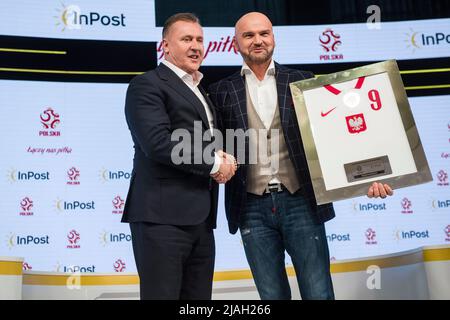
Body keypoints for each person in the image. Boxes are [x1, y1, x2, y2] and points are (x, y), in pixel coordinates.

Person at [208, 12, 393, 300]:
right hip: (250, 208)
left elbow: (338, 137)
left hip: (301, 201)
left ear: (273, 38)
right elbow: (214, 147)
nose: (258, 40)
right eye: (249, 35)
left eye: (264, 33)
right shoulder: (219, 90)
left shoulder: (304, 81)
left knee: (318, 292)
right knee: (271, 296)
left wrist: (369, 175)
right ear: (235, 44)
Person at [122, 13, 236, 300]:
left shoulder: (200, 90)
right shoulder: (146, 84)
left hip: (201, 220)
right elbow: (158, 143)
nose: (195, 46)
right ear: (165, 46)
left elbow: (200, 141)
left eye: (199, 39)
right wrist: (214, 164)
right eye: (186, 39)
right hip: (162, 221)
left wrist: (223, 156)